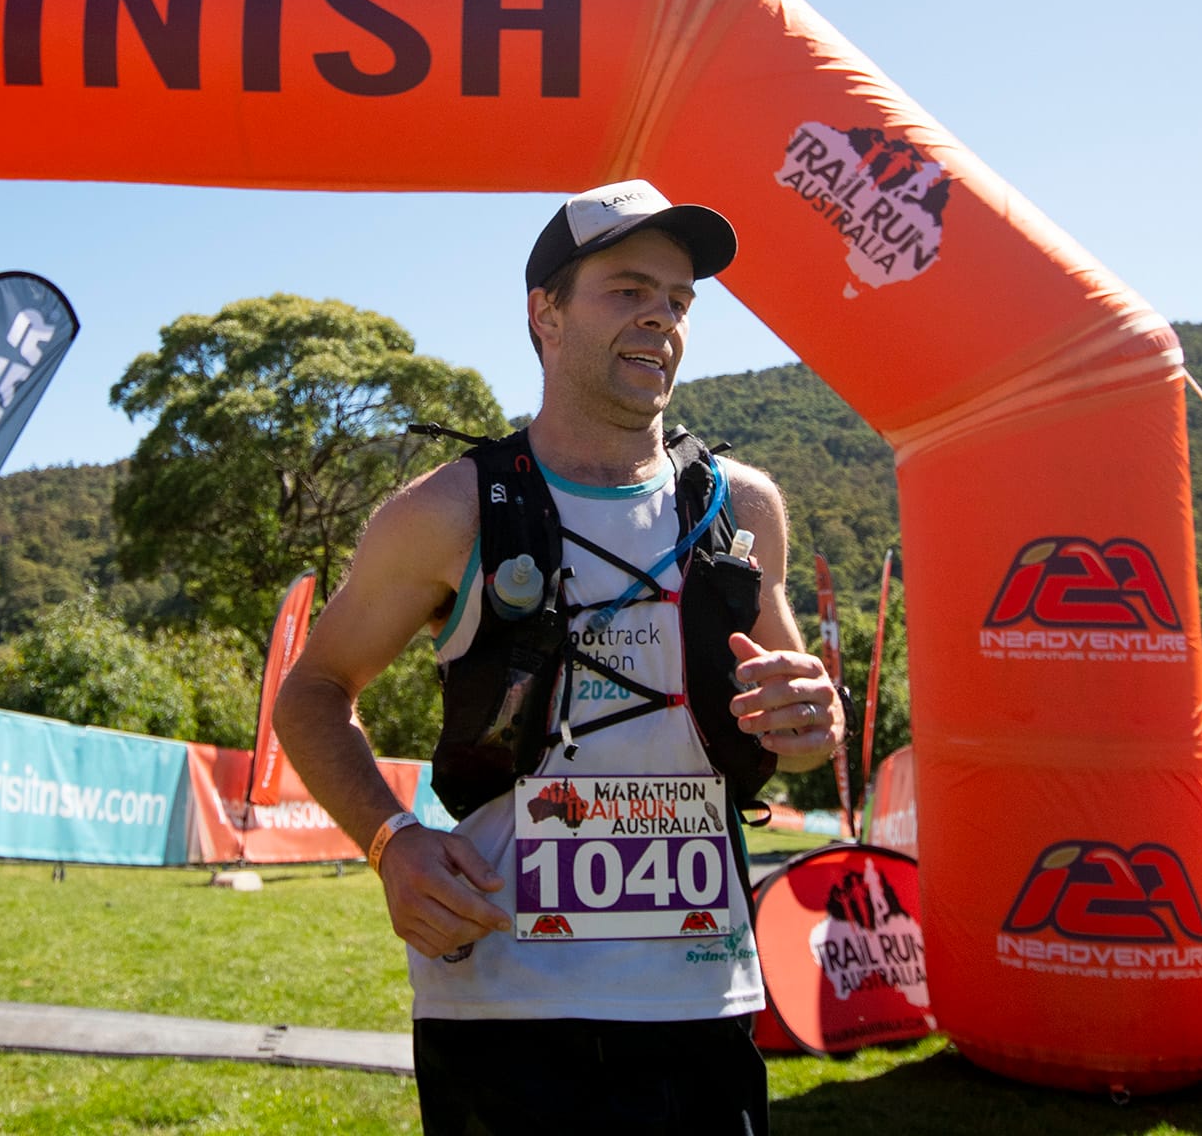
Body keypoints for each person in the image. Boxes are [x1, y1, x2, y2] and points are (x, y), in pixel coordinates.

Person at [274, 179, 848, 1135]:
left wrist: (811, 722)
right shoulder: (445, 512)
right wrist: (391, 843)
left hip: (699, 998)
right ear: (545, 314)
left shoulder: (741, 510)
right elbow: (314, 692)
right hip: (502, 1004)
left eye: (678, 301)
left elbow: (795, 744)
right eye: (628, 291)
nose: (660, 319)